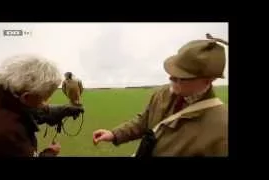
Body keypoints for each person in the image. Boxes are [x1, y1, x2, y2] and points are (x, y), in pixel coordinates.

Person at [92, 35, 228, 157]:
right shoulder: (162, 94)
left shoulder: (222, 128)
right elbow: (143, 122)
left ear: (209, 80)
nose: (172, 78)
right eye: (174, 71)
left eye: (183, 76)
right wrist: (114, 134)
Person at [0, 55, 84, 157]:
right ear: (26, 97)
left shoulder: (1, 93)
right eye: (44, 99)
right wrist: (50, 153)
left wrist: (61, 110)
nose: (46, 103)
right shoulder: (8, 133)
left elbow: (25, 109)